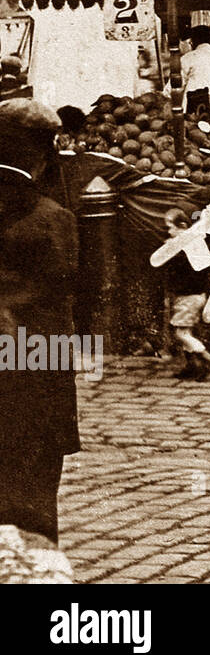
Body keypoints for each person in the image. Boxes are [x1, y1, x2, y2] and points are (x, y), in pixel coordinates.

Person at [0, 100, 80, 543]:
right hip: (31, 376)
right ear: (44, 150)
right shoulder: (52, 220)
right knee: (28, 500)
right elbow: (67, 298)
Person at [157, 208, 210, 380]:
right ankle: (192, 366)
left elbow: (185, 271)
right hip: (195, 295)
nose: (169, 232)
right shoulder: (196, 243)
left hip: (189, 297)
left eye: (170, 227)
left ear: (183, 226)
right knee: (187, 332)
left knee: (181, 334)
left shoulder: (184, 248)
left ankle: (207, 358)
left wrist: (171, 252)